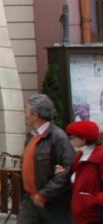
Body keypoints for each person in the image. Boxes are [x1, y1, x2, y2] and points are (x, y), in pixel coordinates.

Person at [20, 93, 74, 224]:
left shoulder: (58, 137)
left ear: (35, 115)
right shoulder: (31, 136)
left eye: (26, 110)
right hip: (30, 200)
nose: (25, 114)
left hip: (51, 203)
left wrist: (45, 194)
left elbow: (66, 170)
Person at [67, 120, 103, 224]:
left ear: (84, 139)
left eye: (74, 136)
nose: (72, 139)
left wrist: (91, 201)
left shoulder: (100, 157)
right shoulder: (79, 155)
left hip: (95, 216)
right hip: (81, 216)